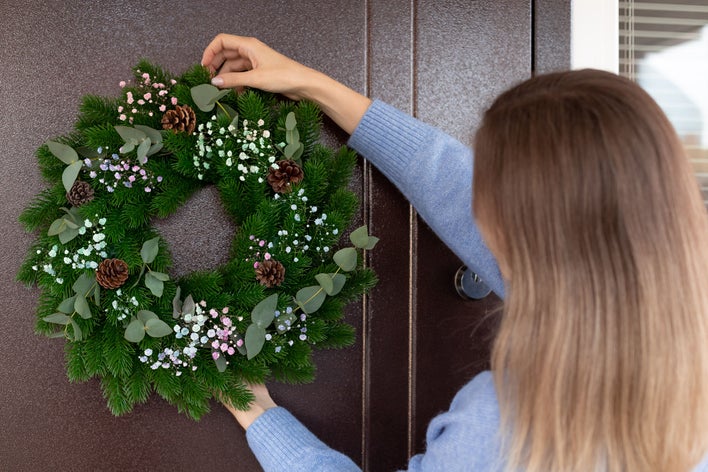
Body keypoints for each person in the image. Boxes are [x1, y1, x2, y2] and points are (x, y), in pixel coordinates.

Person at [201, 34, 708, 471]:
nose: (476, 203)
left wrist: (258, 412)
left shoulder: (509, 427)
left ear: (513, 232)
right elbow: (445, 177)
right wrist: (309, 83)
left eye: (487, 185)